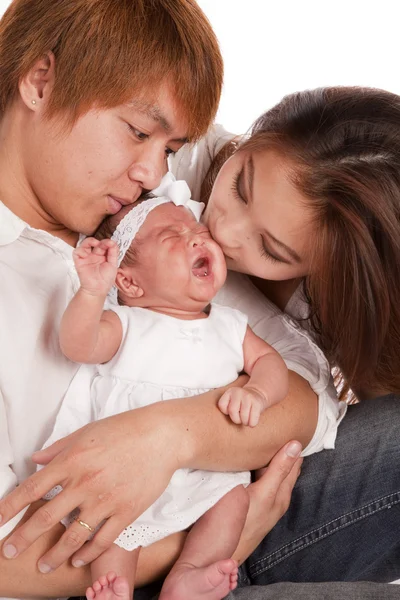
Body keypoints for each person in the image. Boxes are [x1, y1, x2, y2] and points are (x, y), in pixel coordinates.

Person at [0, 0, 398, 597]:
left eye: (168, 146)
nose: (150, 170)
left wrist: (170, 435)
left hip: (241, 494)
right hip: (128, 566)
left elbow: (308, 396)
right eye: (137, 134)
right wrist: (187, 551)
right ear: (39, 80)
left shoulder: (172, 178)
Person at [47, 177, 289, 600]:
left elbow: (272, 364)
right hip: (128, 464)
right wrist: (91, 292)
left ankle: (188, 575)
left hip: (205, 465)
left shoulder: (229, 325)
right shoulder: (128, 326)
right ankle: (115, 585)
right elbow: (78, 345)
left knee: (233, 501)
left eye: (198, 233)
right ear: (131, 283)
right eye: (174, 236)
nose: (198, 240)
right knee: (115, 522)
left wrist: (257, 393)